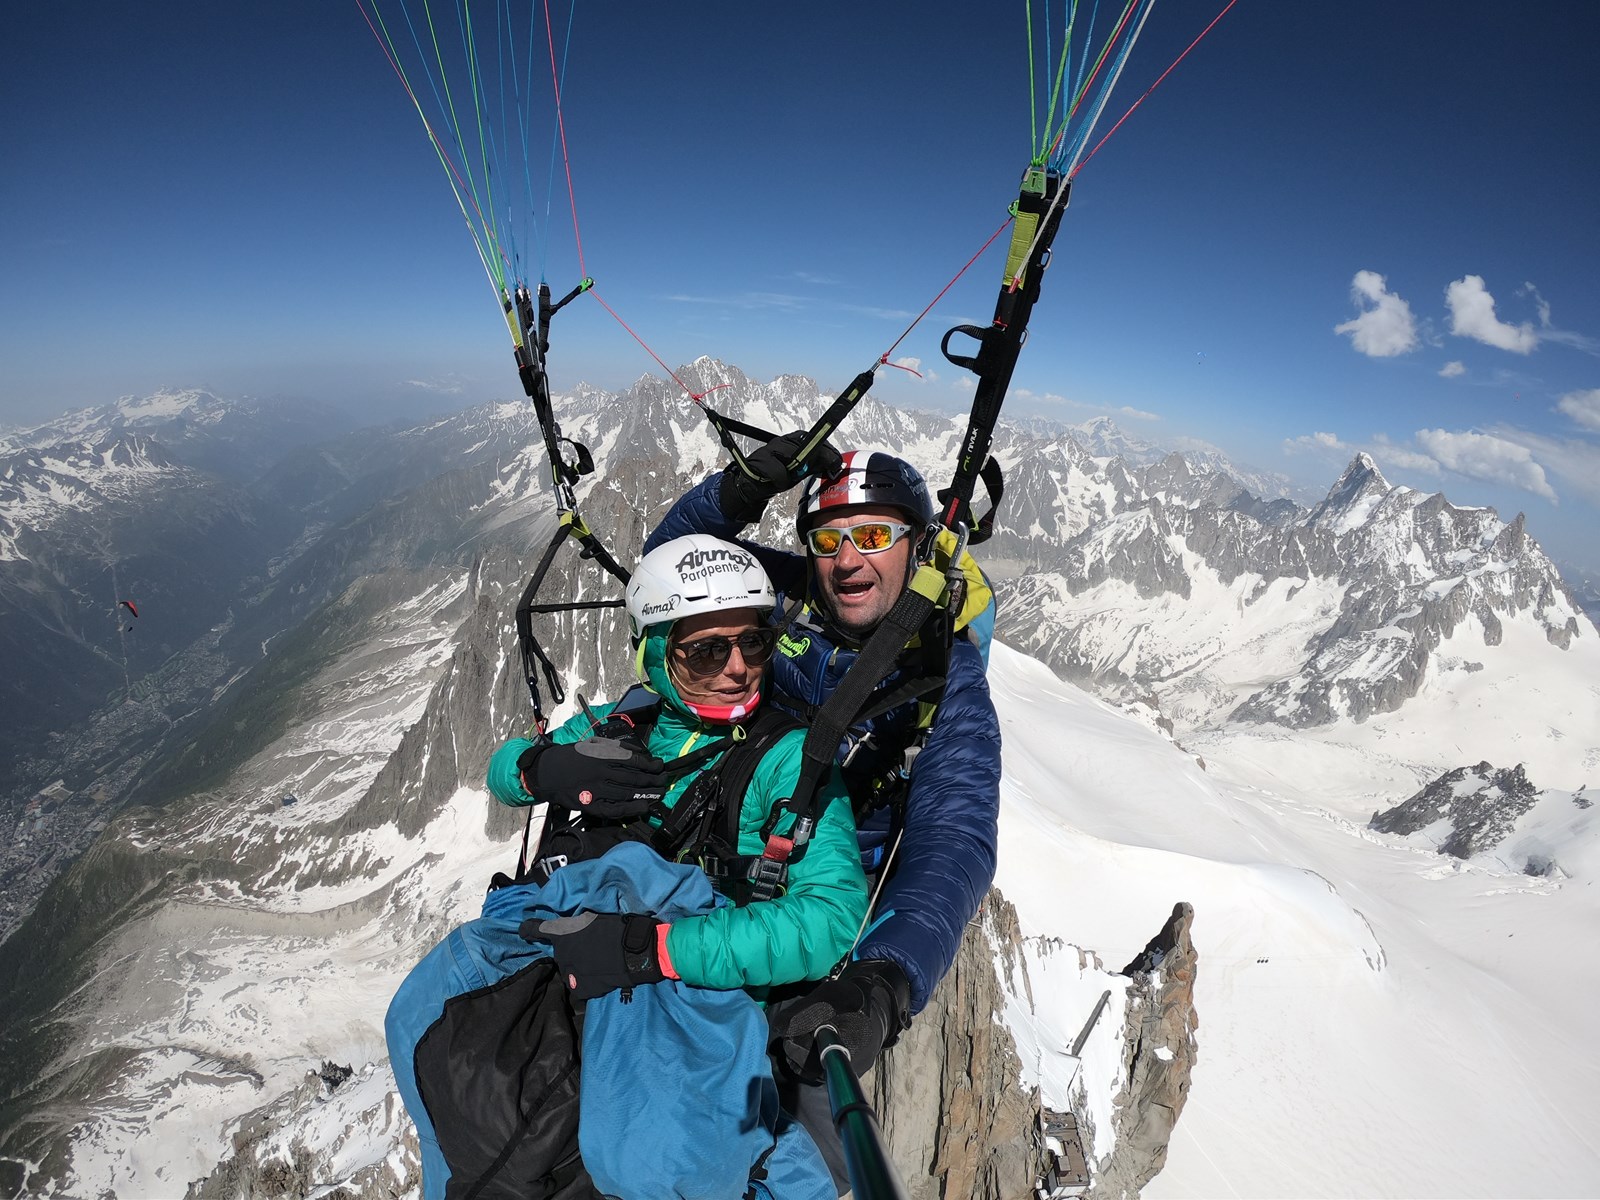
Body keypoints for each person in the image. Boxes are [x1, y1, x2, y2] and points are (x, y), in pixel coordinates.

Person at [646, 441, 1001, 1182]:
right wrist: (735, 494)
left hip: (822, 922)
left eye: (874, 536)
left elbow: (954, 835)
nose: (848, 561)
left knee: (796, 1155)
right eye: (829, 539)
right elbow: (671, 573)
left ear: (918, 544)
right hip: (715, 848)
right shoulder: (793, 596)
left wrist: (883, 980)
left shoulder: (947, 677)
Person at [486, 532, 869, 997]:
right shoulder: (624, 720)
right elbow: (504, 773)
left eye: (753, 643)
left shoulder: (789, 757)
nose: (737, 668)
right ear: (657, 653)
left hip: (691, 996)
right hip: (574, 954)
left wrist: (660, 950)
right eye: (707, 650)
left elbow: (832, 917)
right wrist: (539, 768)